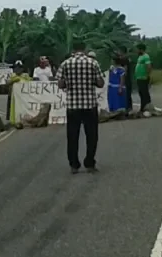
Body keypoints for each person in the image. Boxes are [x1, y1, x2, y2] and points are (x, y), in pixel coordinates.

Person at [56, 40, 105, 174]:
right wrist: (92, 81)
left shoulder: (65, 63)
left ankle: (74, 164)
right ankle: (89, 162)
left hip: (73, 105)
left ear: (73, 49)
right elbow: (101, 83)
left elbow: (60, 84)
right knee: (92, 135)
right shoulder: (93, 63)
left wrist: (69, 83)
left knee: (72, 136)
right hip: (89, 104)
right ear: (84, 49)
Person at [135, 43, 153, 112]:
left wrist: (147, 75)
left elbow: (149, 66)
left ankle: (147, 106)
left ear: (141, 49)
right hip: (139, 77)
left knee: (144, 92)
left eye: (137, 49)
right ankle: (143, 107)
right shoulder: (140, 56)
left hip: (143, 77)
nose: (136, 51)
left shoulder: (146, 56)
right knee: (141, 92)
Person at [116, 46, 134, 111]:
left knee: (127, 94)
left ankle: (128, 108)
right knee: (127, 93)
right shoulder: (126, 59)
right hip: (127, 78)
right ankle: (129, 107)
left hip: (126, 78)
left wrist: (124, 75)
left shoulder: (125, 59)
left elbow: (125, 69)